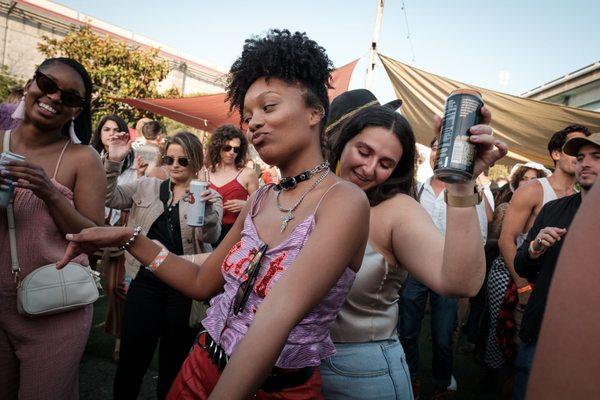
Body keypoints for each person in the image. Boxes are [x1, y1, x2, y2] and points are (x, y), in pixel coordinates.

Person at [58, 29, 371, 399]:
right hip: (200, 365)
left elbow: (278, 314)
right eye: (249, 114)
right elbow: (203, 283)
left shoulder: (344, 200)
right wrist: (130, 238)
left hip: (277, 390)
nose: (253, 123)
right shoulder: (261, 199)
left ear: (316, 112)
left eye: (268, 107)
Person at [319, 98, 506, 400]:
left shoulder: (396, 210)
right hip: (292, 370)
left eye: (386, 163)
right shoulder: (312, 196)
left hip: (361, 374)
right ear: (341, 142)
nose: (368, 169)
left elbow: (462, 282)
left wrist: (462, 183)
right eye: (364, 151)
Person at [0, 57, 105, 400]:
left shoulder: (82, 158)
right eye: (47, 85)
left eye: (71, 98)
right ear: (31, 84)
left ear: (76, 112)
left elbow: (95, 240)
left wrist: (50, 193)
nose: (56, 98)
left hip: (56, 305)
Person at [104, 131, 223, 400]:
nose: (175, 166)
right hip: (144, 283)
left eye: (183, 160)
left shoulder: (209, 197)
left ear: (195, 161)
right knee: (132, 361)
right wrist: (113, 162)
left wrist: (204, 214)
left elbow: (211, 237)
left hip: (183, 285)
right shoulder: (146, 186)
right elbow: (109, 197)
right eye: (169, 159)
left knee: (173, 364)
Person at [397, 135, 493, 398]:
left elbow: (480, 238)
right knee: (407, 329)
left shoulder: (468, 192)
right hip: (414, 271)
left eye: (447, 149)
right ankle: (412, 376)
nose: (439, 153)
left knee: (442, 335)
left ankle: (442, 381)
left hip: (448, 271)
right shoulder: (413, 189)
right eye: (436, 148)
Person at [511, 132, 600, 400]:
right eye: (581, 157)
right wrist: (535, 248)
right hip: (543, 329)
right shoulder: (554, 210)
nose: (585, 163)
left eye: (596, 157)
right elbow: (522, 265)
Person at [499, 125, 590, 326]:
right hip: (515, 276)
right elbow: (506, 240)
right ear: (556, 154)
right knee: (507, 344)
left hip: (552, 284)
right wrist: (522, 287)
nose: (578, 158)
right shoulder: (533, 189)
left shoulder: (580, 195)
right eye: (574, 151)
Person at [479, 162, 550, 391]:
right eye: (525, 178)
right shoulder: (507, 207)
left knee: (520, 329)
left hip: (531, 274)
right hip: (503, 269)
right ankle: (491, 372)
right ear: (517, 181)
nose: (529, 183)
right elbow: (498, 241)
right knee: (498, 323)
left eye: (534, 179)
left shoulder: (547, 208)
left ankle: (512, 374)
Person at [90, 114, 137, 362]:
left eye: (115, 129)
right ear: (99, 133)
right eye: (105, 129)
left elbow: (121, 197)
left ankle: (120, 337)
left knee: (115, 286)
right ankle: (78, 332)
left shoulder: (133, 163)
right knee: (82, 282)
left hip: (116, 228)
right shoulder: (88, 157)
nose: (110, 133)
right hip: (87, 223)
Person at [207, 124, 259, 245]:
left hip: (234, 235)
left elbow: (259, 208)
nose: (231, 152)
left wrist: (246, 205)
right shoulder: (205, 173)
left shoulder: (248, 174)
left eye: (236, 149)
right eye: (227, 148)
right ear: (218, 147)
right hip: (208, 233)